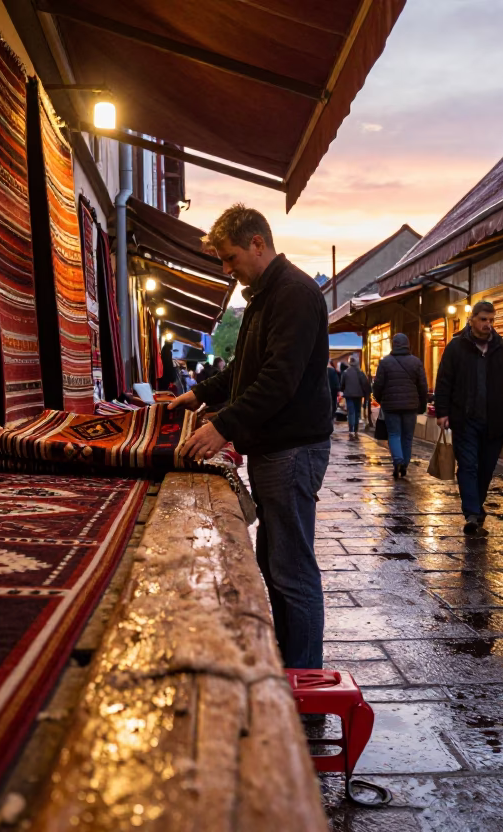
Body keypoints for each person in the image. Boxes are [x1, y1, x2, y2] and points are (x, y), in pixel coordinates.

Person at [168, 204, 332, 669]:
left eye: (230, 257)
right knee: (276, 559)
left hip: (292, 447)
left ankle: (303, 679)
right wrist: (199, 395)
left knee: (291, 568)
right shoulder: (266, 294)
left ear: (257, 244)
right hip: (276, 446)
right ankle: (289, 661)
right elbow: (245, 370)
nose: (226, 269)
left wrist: (222, 426)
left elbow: (278, 379)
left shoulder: (294, 294)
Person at [432, 300, 503, 535]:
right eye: (483, 319)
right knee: (468, 465)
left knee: (486, 467)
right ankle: (471, 512)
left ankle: (476, 507)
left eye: (491, 320)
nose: (487, 324)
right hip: (465, 418)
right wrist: (443, 412)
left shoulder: (502, 348)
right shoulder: (456, 347)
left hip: (495, 420)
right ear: (472, 320)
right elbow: (444, 381)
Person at [372, 333, 428, 479]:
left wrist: (381, 400)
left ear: (393, 345)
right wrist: (422, 404)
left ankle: (397, 461)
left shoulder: (385, 362)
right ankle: (405, 464)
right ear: (407, 344)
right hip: (410, 406)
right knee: (407, 436)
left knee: (394, 434)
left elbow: (378, 385)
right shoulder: (416, 362)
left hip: (390, 406)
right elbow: (423, 386)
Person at [340, 356, 370, 438]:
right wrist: (366, 393)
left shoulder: (345, 372)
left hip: (349, 395)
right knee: (357, 412)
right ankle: (356, 429)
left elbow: (342, 384)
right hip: (358, 395)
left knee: (351, 412)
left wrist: (343, 390)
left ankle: (351, 430)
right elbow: (365, 384)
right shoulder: (360, 372)